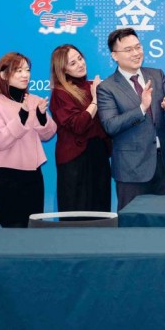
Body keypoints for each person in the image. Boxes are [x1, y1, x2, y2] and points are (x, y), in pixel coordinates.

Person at [97, 28, 165, 211]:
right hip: (131, 168)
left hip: (163, 162)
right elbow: (110, 125)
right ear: (114, 55)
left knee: (163, 218)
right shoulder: (107, 87)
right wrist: (142, 108)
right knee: (133, 221)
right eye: (128, 50)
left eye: (138, 47)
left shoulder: (156, 75)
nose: (136, 53)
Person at [0, 52, 57, 228]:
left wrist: (41, 117)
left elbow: (48, 134)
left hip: (33, 175)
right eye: (18, 70)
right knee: (12, 228)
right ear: (3, 75)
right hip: (5, 176)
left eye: (27, 70)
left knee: (34, 228)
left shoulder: (35, 100)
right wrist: (22, 116)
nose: (25, 75)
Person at [50, 44, 112, 213]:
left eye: (80, 58)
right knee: (76, 214)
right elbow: (78, 125)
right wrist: (95, 101)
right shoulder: (60, 93)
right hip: (75, 161)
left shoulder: (94, 85)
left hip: (98, 156)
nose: (80, 64)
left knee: (101, 212)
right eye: (73, 63)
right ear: (63, 69)